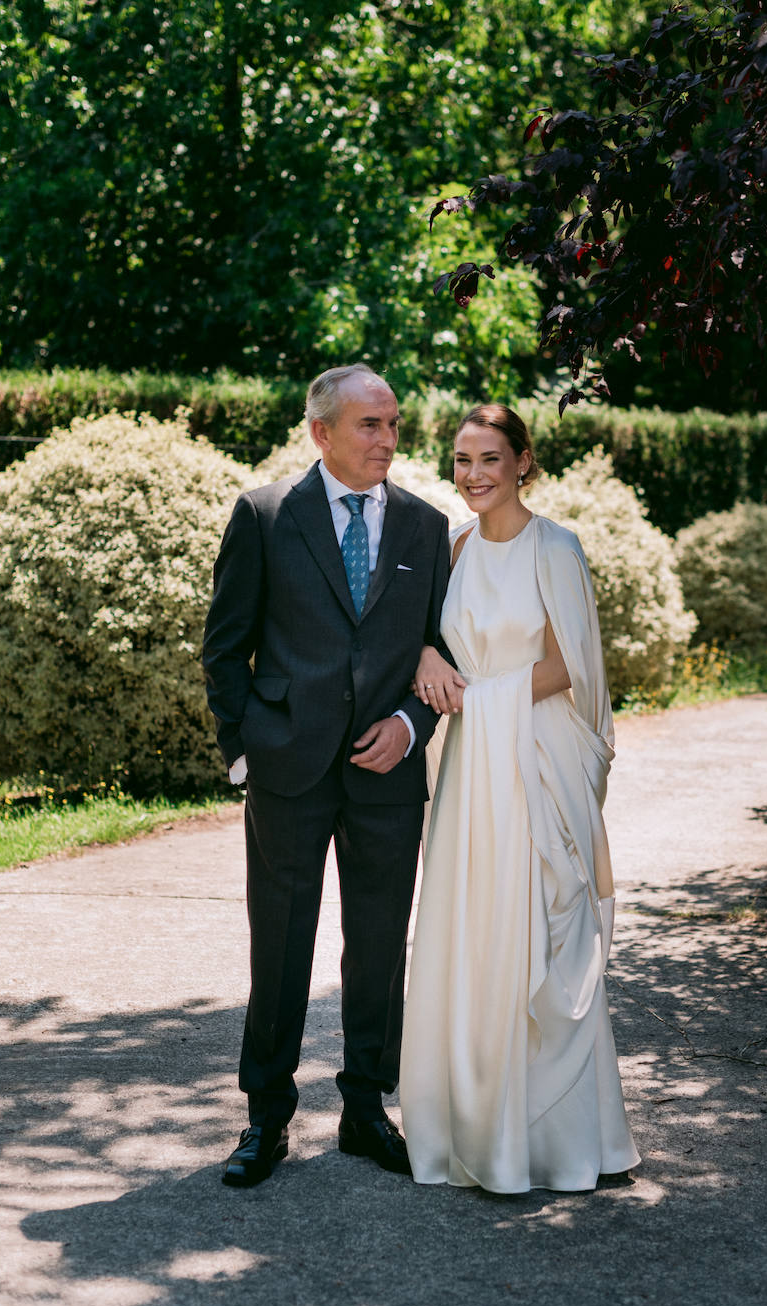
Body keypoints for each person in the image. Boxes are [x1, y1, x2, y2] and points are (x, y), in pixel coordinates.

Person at [203, 363, 450, 1187]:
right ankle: (265, 1119)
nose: (387, 439)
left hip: (385, 778)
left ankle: (363, 1112)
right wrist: (244, 749)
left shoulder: (425, 526)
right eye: (368, 425)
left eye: (392, 424)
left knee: (377, 947)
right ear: (321, 431)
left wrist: (412, 726)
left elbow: (444, 655)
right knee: (279, 946)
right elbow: (224, 644)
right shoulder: (266, 514)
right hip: (287, 770)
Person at [399, 403, 640, 1193]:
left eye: (490, 459)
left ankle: (563, 1144)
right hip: (472, 770)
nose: (473, 475)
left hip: (538, 761)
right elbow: (420, 637)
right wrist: (430, 659)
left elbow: (571, 666)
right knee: (478, 935)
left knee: (544, 931)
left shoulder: (556, 548)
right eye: (462, 459)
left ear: (523, 461)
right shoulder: (454, 545)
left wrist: (476, 696)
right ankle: (477, 1129)